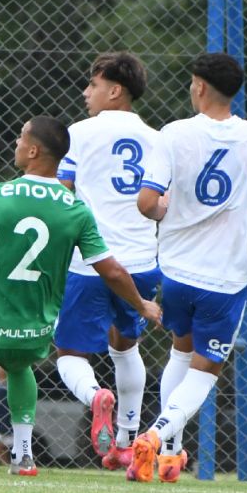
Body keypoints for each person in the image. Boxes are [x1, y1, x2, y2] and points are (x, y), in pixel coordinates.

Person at [0, 116, 162, 478]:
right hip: (35, 332)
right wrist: (141, 304)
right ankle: (23, 456)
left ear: (34, 150)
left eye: (21, 138)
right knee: (19, 365)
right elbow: (112, 271)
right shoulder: (75, 208)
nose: (17, 144)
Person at [130, 52, 247, 484]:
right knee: (204, 371)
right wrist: (244, 201)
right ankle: (156, 436)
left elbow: (147, 203)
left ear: (199, 86)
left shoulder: (174, 133)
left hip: (176, 272)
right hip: (225, 278)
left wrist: (165, 208)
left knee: (181, 352)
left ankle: (170, 457)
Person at [54, 51, 161, 469]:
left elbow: (63, 193)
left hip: (91, 261)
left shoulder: (79, 133)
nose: (86, 92)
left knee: (69, 352)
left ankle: (95, 395)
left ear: (115, 90)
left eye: (93, 84)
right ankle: (126, 442)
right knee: (125, 345)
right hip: (142, 261)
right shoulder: (156, 138)